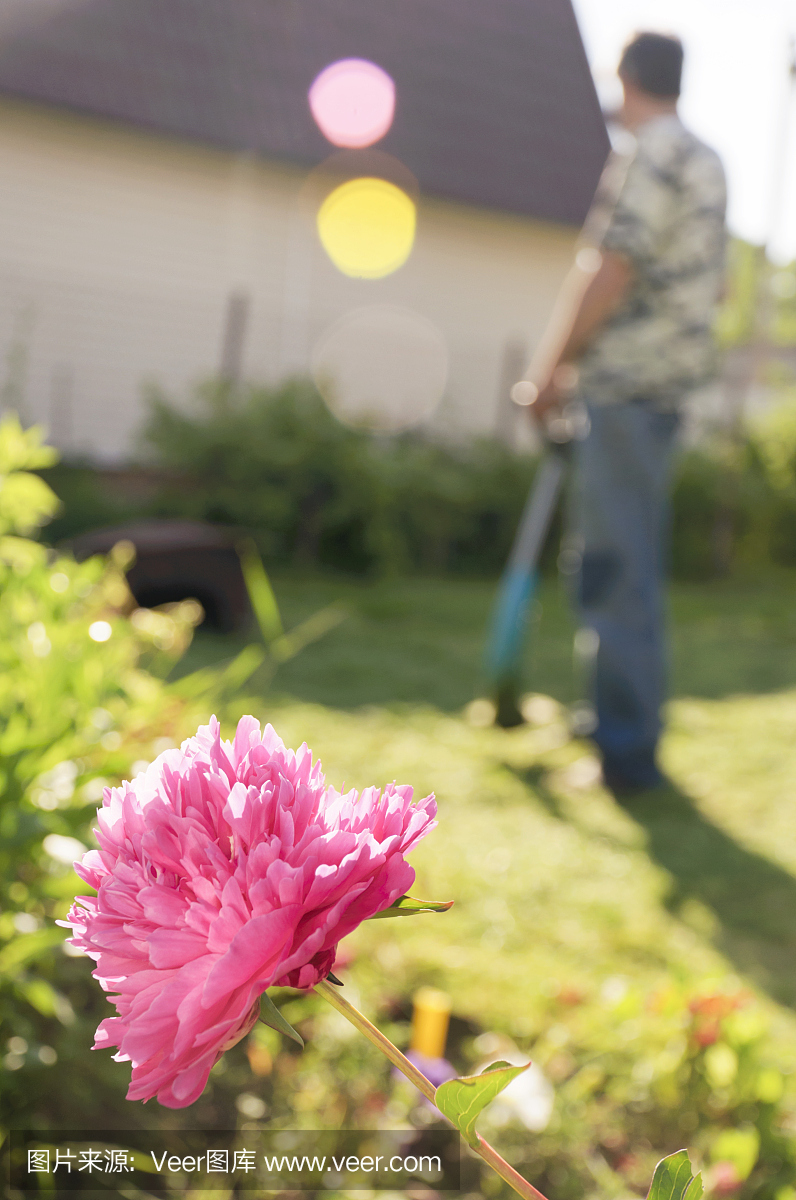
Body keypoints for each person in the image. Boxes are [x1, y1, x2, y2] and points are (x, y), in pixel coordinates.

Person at [528, 32, 727, 793]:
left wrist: (549, 370)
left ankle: (626, 756)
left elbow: (610, 269)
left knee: (616, 572)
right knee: (625, 563)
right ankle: (612, 723)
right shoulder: (708, 160)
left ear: (628, 76)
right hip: (668, 392)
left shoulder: (648, 154)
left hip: (625, 390)